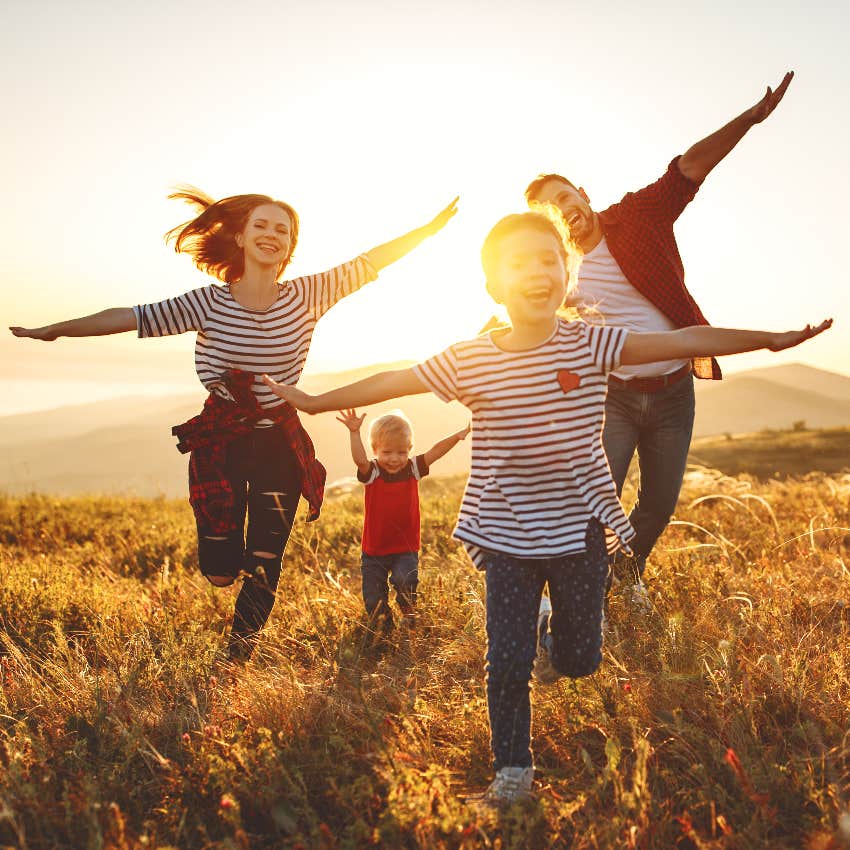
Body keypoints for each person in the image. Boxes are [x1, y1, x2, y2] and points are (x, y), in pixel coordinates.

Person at [261, 209, 830, 804]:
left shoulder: (590, 342)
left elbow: (683, 341)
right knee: (505, 662)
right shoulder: (471, 358)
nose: (537, 271)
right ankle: (512, 772)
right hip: (506, 533)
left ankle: (551, 634)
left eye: (549, 259)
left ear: (567, 274)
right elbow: (393, 381)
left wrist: (768, 338)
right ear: (493, 285)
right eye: (519, 262)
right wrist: (315, 399)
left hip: (581, 529)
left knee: (580, 661)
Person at [10, 187, 458, 661]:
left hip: (279, 444)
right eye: (261, 226)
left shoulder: (309, 294)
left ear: (290, 247)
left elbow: (371, 262)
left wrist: (428, 231)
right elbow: (129, 316)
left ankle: (236, 656)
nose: (272, 235)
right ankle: (224, 566)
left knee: (266, 561)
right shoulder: (208, 302)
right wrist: (56, 329)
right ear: (241, 237)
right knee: (221, 571)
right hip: (223, 441)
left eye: (282, 230)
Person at [524, 72, 795, 595]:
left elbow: (688, 169)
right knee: (593, 501)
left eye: (564, 198)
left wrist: (749, 119)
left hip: (673, 393)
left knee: (659, 505)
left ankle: (626, 574)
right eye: (551, 214)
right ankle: (584, 587)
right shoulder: (558, 268)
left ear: (582, 193)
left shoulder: (638, 215)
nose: (565, 213)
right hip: (615, 398)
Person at [336, 408, 469, 635]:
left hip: (405, 546)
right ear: (375, 450)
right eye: (387, 452)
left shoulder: (412, 468)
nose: (394, 458)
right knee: (373, 599)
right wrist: (354, 432)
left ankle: (409, 613)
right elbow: (359, 460)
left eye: (401, 452)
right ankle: (384, 629)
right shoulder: (373, 472)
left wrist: (458, 436)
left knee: (405, 580)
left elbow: (435, 451)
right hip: (374, 549)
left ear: (409, 450)